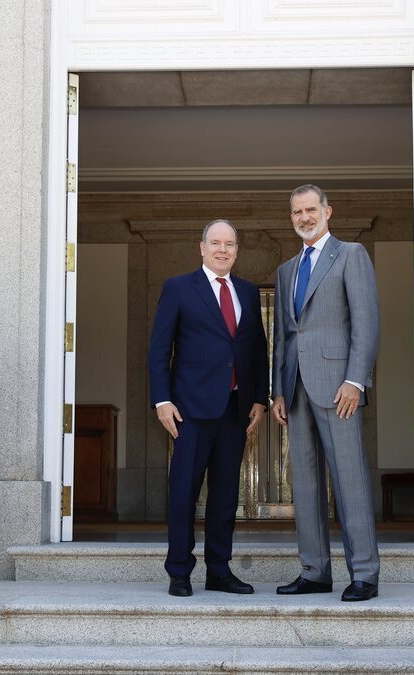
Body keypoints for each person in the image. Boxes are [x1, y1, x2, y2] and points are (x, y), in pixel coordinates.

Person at [271, 184, 381, 602]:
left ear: (328, 211)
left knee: (349, 478)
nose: (304, 217)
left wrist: (355, 380)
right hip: (296, 389)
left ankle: (365, 574)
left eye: (311, 209)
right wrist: (278, 390)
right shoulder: (286, 270)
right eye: (297, 211)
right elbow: (283, 335)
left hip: (339, 388)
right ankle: (314, 571)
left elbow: (365, 323)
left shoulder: (351, 255)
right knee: (305, 484)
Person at [148, 219, 269, 597]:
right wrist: (162, 400)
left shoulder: (248, 293)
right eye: (215, 243)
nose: (222, 250)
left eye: (229, 244)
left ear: (236, 249)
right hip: (190, 410)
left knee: (225, 495)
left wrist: (259, 399)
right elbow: (158, 350)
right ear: (202, 247)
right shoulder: (180, 288)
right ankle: (179, 572)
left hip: (236, 410)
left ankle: (219, 569)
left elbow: (257, 350)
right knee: (183, 491)